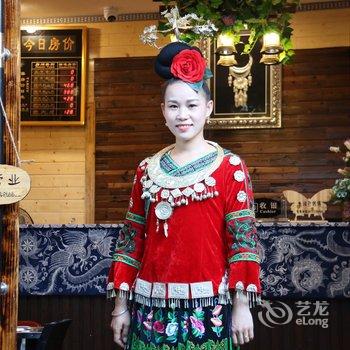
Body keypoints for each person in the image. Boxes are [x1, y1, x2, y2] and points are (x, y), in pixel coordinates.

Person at [107, 42, 261, 350]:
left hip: (209, 308)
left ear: (208, 108)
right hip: (149, 305)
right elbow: (130, 240)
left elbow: (243, 241)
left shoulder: (229, 167)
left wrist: (242, 305)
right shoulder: (146, 169)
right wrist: (120, 307)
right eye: (174, 106)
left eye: (191, 105)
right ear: (163, 111)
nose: (183, 115)